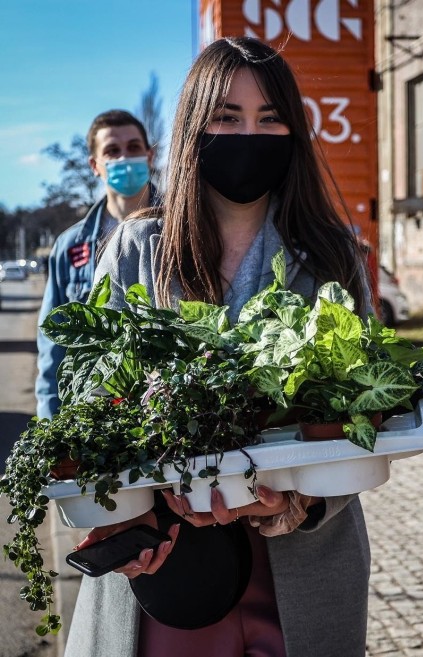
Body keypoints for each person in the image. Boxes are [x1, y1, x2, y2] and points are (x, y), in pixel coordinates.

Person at [63, 37, 371, 657]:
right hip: (166, 570)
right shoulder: (138, 248)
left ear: (294, 132)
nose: (248, 136)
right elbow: (89, 398)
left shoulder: (333, 253)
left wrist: (299, 504)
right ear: (192, 129)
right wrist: (127, 510)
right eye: (226, 118)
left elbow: (361, 415)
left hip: (298, 574)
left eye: (269, 119)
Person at [35, 109, 158, 419]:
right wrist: (53, 429)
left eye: (133, 148)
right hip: (95, 419)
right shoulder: (70, 246)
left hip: (165, 411)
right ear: (95, 165)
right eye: (112, 151)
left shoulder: (185, 229)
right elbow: (54, 345)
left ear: (150, 156)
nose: (124, 158)